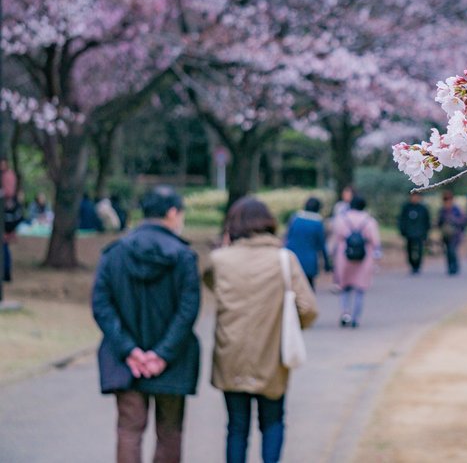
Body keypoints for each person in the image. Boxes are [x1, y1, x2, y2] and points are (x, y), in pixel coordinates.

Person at [91, 185, 200, 463]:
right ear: (172, 213)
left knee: (129, 430)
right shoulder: (184, 256)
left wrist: (130, 350)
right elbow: (187, 311)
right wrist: (162, 354)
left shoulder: (114, 253)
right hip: (173, 360)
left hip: (125, 361)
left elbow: (102, 306)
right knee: (170, 431)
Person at [205, 197, 318, 463]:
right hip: (272, 355)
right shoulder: (284, 260)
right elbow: (309, 308)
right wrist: (288, 325)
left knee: (236, 427)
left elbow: (211, 284)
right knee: (272, 422)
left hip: (230, 355)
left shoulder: (219, 260)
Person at [332, 195, 380, 328]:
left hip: (344, 256)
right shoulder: (369, 221)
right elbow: (375, 241)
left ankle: (345, 313)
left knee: (345, 287)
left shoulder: (341, 219)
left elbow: (336, 237)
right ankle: (355, 318)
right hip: (364, 257)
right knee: (360, 289)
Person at [285, 197, 331, 291]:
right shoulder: (317, 223)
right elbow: (321, 244)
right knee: (308, 290)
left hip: (291, 258)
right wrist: (327, 262)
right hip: (309, 262)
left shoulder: (295, 218)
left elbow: (288, 237)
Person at [397, 193, 431, 274]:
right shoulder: (406, 207)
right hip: (409, 233)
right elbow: (402, 220)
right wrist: (402, 231)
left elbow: (426, 221)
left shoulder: (423, 208)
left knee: (419, 250)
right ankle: (412, 265)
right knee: (409, 249)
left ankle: (417, 265)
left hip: (419, 233)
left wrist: (425, 233)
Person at [438, 191, 467, 275]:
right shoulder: (442, 210)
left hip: (455, 234)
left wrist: (453, 220)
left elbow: (463, 221)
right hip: (446, 235)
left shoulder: (456, 209)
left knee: (452, 250)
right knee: (448, 251)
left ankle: (454, 267)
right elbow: (439, 223)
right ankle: (450, 267)